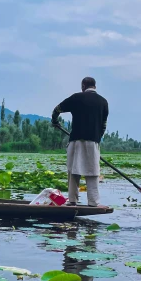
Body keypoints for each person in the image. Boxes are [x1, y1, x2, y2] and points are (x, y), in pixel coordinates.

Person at [51, 77, 109, 207]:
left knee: (73, 170)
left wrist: (55, 121)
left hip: (76, 140)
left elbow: (57, 109)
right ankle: (93, 202)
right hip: (93, 141)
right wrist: (97, 139)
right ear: (95, 86)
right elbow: (103, 126)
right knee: (93, 172)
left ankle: (72, 201)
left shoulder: (76, 98)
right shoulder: (103, 102)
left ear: (83, 86)